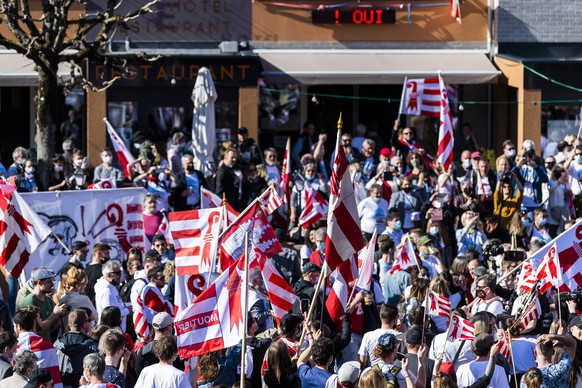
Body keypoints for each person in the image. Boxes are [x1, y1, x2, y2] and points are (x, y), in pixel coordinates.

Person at [13, 309, 63, 388]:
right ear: (33, 324)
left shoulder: (13, 348)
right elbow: (55, 375)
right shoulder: (47, 345)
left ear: (18, 327)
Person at [19, 267, 68, 341]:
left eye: (53, 281)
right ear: (39, 283)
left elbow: (51, 327)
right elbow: (38, 328)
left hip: (46, 344)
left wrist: (59, 315)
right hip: (34, 346)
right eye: (49, 281)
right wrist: (54, 314)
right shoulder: (30, 301)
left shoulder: (48, 300)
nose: (52, 284)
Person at [53, 309, 99, 387]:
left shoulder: (57, 344)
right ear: (84, 325)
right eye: (88, 320)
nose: (89, 322)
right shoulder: (92, 345)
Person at [94, 260, 129, 332]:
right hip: (110, 333)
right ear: (109, 275)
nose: (120, 276)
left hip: (117, 331)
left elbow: (117, 306)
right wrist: (127, 310)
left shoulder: (112, 288)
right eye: (118, 273)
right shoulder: (106, 291)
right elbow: (110, 315)